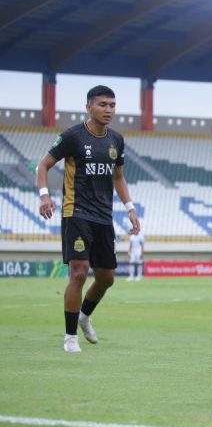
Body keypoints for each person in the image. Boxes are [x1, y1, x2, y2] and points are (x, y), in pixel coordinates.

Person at [37, 85, 141, 353]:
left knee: (107, 278)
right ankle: (70, 337)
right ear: (89, 107)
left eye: (112, 105)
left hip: (103, 217)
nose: (108, 110)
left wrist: (129, 206)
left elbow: (118, 177)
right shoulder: (72, 136)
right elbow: (44, 165)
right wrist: (44, 196)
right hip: (76, 212)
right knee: (79, 272)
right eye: (103, 104)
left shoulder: (116, 140)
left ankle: (84, 316)